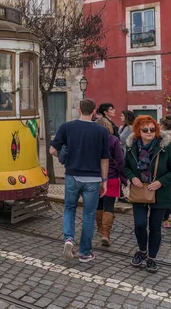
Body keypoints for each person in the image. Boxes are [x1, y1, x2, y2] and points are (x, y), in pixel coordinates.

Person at [50, 98, 109, 263]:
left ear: (78, 110)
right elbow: (105, 159)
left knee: (69, 209)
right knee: (89, 215)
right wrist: (104, 181)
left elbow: (52, 150)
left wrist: (64, 157)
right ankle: (85, 253)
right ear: (94, 111)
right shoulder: (101, 131)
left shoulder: (66, 127)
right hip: (93, 179)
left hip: (72, 176)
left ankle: (68, 239)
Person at [124, 115, 171, 272]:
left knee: (155, 226)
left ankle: (152, 258)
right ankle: (142, 251)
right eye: (145, 129)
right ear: (138, 130)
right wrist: (132, 177)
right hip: (139, 191)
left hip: (161, 192)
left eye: (152, 129)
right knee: (140, 224)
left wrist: (161, 181)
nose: (149, 132)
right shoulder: (131, 146)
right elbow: (126, 166)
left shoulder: (165, 146)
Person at [94, 117, 125, 246]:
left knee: (98, 205)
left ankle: (100, 229)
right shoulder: (113, 140)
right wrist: (123, 177)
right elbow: (120, 160)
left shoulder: (92, 141)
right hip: (111, 178)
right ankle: (106, 234)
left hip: (95, 179)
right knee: (109, 206)